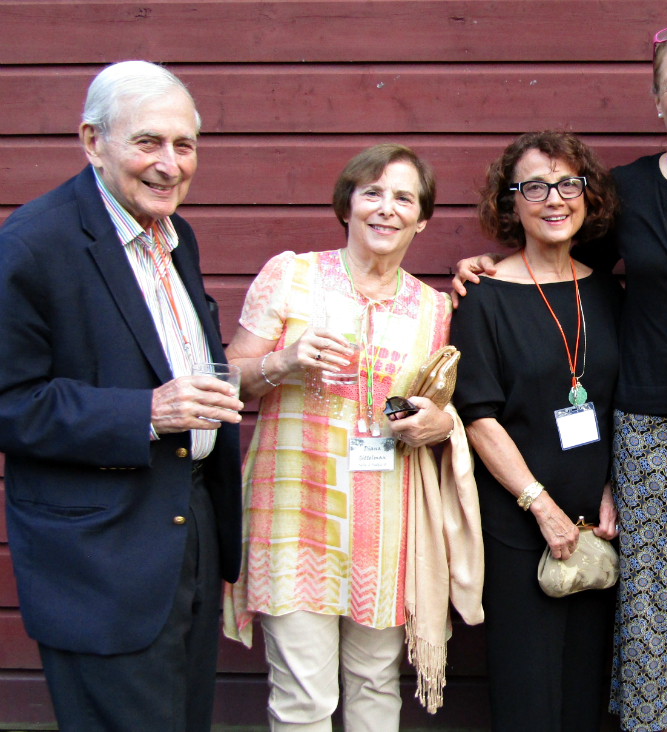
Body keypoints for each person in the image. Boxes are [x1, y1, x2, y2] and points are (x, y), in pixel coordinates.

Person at [454, 20, 667, 732]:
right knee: (655, 621)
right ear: (656, 100)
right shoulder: (631, 191)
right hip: (652, 431)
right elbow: (560, 252)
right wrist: (485, 265)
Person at [0, 61, 243, 730]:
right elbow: (8, 402)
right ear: (92, 141)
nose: (171, 164)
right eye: (148, 142)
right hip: (101, 560)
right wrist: (145, 412)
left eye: (185, 144)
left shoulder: (177, 235)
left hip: (184, 531)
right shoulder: (32, 245)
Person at [222, 143, 483, 731]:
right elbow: (231, 382)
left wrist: (441, 426)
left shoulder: (435, 308)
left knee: (375, 686)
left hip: (386, 528)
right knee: (303, 700)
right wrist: (283, 361)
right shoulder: (291, 275)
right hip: (295, 518)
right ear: (347, 205)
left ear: (422, 219)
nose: (386, 209)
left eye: (403, 198)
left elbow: (444, 410)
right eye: (372, 193)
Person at [450, 130, 622, 732]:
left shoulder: (606, 290)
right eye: (535, 187)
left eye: (568, 183)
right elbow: (479, 418)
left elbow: (618, 402)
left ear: (588, 195)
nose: (555, 198)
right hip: (520, 524)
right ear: (510, 202)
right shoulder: (483, 297)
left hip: (597, 525)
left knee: (583, 692)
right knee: (528, 694)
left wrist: (609, 489)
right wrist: (540, 506)